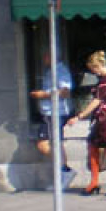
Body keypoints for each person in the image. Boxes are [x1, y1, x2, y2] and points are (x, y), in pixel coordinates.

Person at [65, 50, 106, 196]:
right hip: (100, 117)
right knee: (93, 147)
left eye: (93, 69)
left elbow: (96, 101)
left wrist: (79, 116)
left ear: (98, 66)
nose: (93, 72)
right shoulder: (105, 78)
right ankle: (94, 182)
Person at [30, 49, 75, 191]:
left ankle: (65, 171)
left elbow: (65, 92)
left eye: (46, 56)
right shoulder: (50, 71)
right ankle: (64, 173)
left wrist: (43, 95)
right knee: (55, 143)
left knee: (45, 144)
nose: (43, 59)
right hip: (48, 112)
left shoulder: (61, 71)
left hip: (55, 113)